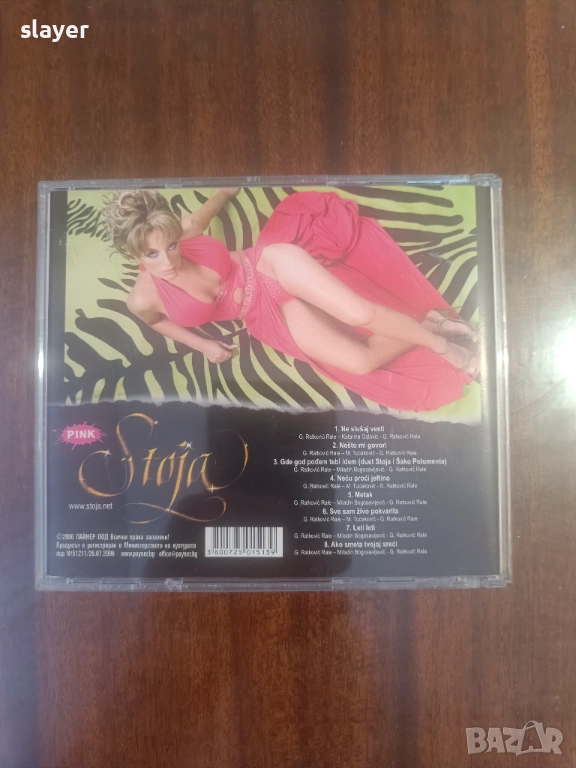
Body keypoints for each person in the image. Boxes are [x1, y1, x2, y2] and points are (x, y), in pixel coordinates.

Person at [102, 187, 478, 411]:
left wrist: (226, 192)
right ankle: (428, 323)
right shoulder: (141, 300)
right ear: (132, 253)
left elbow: (200, 217)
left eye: (170, 246)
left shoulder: (181, 231)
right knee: (360, 362)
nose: (168, 261)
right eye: (152, 255)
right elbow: (156, 322)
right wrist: (202, 346)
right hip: (262, 314)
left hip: (268, 266)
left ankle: (442, 345)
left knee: (360, 314)